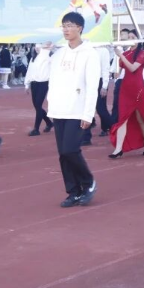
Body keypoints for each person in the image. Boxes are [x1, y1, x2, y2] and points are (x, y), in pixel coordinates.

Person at [47, 12, 100, 207]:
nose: (66, 29)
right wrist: (44, 52)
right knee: (63, 153)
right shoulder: (59, 53)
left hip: (77, 110)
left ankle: (88, 182)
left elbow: (92, 86)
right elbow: (48, 77)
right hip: (59, 109)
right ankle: (73, 191)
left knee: (70, 150)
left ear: (80, 28)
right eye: (64, 26)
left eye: (70, 25)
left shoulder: (90, 54)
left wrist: (88, 114)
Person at [109, 38, 144, 158]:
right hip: (125, 88)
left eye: (133, 38)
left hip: (138, 88)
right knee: (123, 118)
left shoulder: (142, 53)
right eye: (128, 38)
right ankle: (118, 148)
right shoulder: (125, 53)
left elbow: (132, 68)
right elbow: (118, 71)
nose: (130, 40)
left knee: (140, 117)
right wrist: (118, 55)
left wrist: (120, 55)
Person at [24, 43, 54, 136]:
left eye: (39, 46)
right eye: (36, 46)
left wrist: (47, 48)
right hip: (34, 84)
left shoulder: (47, 56)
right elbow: (29, 71)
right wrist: (27, 84)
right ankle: (49, 123)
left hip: (43, 83)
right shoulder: (33, 58)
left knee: (38, 105)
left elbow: (52, 47)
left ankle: (36, 129)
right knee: (37, 106)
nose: (37, 48)